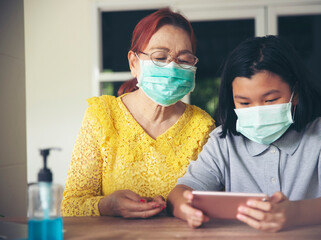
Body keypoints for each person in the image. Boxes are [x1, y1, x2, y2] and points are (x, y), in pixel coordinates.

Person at [167, 35, 321, 232]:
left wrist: (296, 213)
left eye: (270, 100)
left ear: (295, 94)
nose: (257, 112)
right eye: (244, 103)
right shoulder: (223, 142)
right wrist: (184, 207)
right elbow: (180, 192)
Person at [61, 8, 215, 218]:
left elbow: (212, 203)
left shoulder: (202, 126)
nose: (171, 68)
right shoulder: (103, 116)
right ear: (134, 63)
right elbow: (71, 206)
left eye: (184, 60)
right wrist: (107, 206)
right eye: (160, 57)